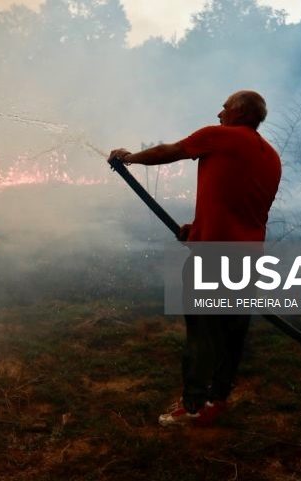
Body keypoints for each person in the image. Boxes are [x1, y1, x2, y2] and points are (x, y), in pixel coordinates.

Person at [107, 90, 282, 426]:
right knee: (231, 334)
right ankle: (218, 400)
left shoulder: (218, 136)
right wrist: (200, 228)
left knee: (203, 335)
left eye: (225, 107)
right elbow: (240, 205)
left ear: (239, 112)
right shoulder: (271, 156)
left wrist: (129, 158)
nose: (219, 113)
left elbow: (168, 152)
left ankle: (193, 408)